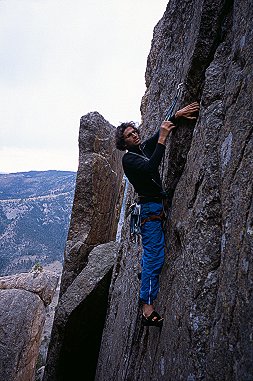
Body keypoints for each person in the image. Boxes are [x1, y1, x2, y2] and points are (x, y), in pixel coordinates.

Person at [115, 102, 199, 326]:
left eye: (135, 132)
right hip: (150, 212)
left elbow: (158, 132)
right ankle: (147, 307)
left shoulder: (140, 150)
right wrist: (162, 138)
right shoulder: (129, 159)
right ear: (124, 143)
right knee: (155, 258)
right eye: (130, 136)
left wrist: (176, 115)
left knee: (151, 256)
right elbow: (151, 167)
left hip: (153, 209)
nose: (135, 136)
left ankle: (147, 279)